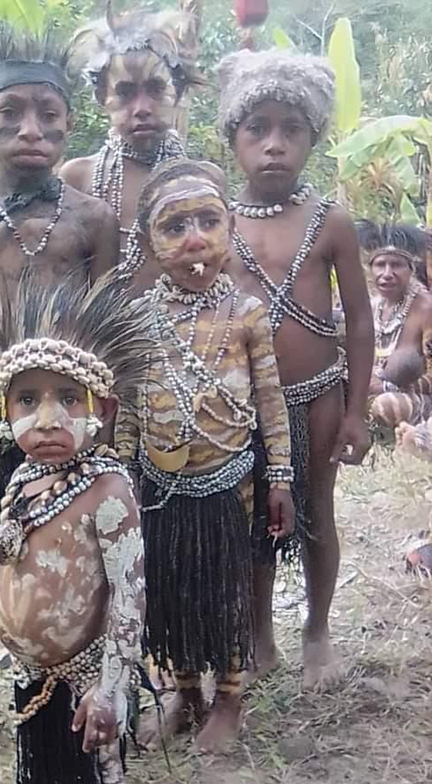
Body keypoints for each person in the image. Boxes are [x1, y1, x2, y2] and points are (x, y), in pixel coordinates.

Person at [0, 25, 120, 777]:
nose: (31, 130)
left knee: (81, 564)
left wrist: (106, 433)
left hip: (72, 430)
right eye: (10, 113)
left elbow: (109, 331)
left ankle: (84, 691)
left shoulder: (91, 220)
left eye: (47, 112)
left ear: (71, 120)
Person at [0, 270, 150, 784]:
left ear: (100, 411)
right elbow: (12, 546)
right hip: (31, 670)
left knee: (99, 778)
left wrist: (111, 688)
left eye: (67, 399)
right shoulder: (25, 477)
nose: (48, 419)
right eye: (28, 400)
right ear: (5, 411)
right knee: (45, 773)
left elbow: (130, 598)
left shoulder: (109, 490)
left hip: (87, 675)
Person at [115, 159, 294, 750]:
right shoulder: (140, 317)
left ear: (231, 227)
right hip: (161, 486)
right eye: (175, 226)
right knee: (172, 589)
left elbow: (270, 399)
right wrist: (124, 479)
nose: (195, 239)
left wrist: (282, 479)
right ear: (149, 243)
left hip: (230, 484)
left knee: (226, 588)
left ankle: (229, 699)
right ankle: (184, 694)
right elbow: (132, 408)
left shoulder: (245, 313)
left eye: (208, 221)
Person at [217, 50, 374, 689]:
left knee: (315, 511)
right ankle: (259, 637)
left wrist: (358, 410)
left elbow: (360, 320)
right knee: (255, 516)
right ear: (232, 139)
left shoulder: (329, 219)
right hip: (243, 401)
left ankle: (317, 630)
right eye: (258, 129)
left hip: (317, 396)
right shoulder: (215, 221)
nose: (275, 145)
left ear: (313, 137)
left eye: (292, 130)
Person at [62, 5, 202, 292]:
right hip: (103, 334)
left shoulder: (203, 180)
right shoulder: (78, 178)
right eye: (125, 93)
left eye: (155, 89)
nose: (141, 109)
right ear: (102, 97)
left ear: (177, 91)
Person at [357, 222, 432, 430]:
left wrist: (386, 387)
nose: (387, 273)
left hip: (421, 403)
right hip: (372, 396)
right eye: (380, 265)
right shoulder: (372, 308)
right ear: (371, 269)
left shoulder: (427, 309)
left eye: (396, 265)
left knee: (387, 405)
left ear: (410, 269)